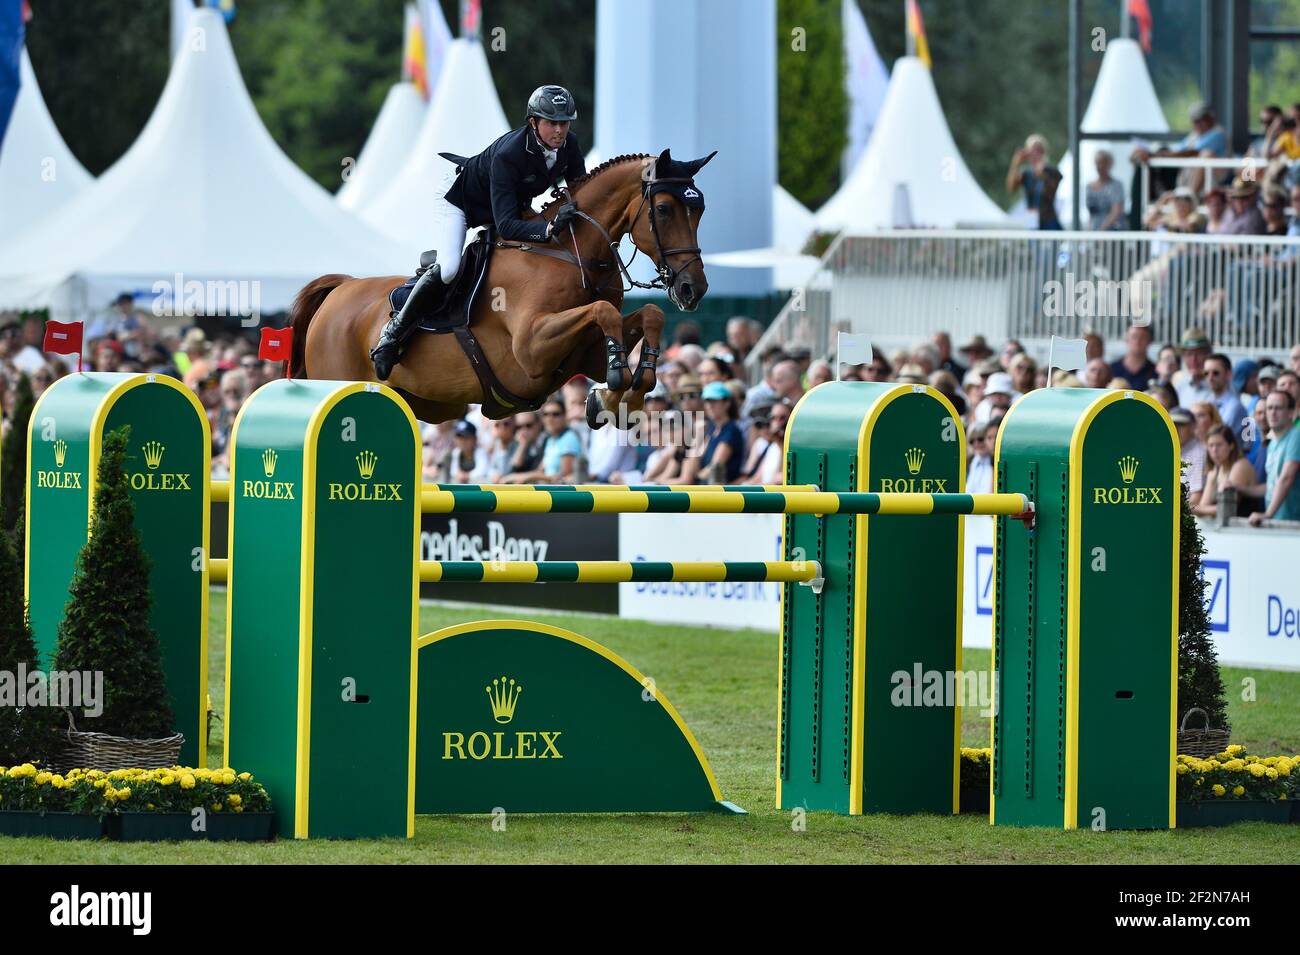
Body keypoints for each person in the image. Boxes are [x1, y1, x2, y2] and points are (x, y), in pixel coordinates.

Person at [370, 85, 587, 380]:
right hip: (460, 201)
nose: (560, 131)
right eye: (552, 123)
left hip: (506, 205)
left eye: (564, 123)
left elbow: (578, 191)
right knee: (449, 269)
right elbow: (508, 226)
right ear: (533, 122)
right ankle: (392, 334)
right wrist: (548, 227)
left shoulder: (569, 145)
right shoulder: (510, 154)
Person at [1247, 390, 1300, 524]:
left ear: (1291, 412)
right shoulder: (1272, 442)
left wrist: (1268, 514)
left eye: (1278, 408)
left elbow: (1286, 478)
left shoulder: (1296, 436)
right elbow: (1271, 486)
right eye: (1269, 408)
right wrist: (1237, 487)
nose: (1272, 412)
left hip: (1293, 524)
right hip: (1277, 522)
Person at [1193, 425, 1260, 518]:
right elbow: (1203, 506)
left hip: (1245, 528)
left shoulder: (1240, 466)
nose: (1214, 450)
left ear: (1231, 446)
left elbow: (1226, 509)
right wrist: (1196, 508)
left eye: (1219, 445)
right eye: (1211, 445)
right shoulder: (1214, 471)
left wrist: (1192, 508)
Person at [1085, 150, 1126, 231]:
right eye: (1098, 163)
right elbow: (1091, 213)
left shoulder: (1116, 185)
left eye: (1103, 163)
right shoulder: (1089, 186)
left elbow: (1116, 211)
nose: (1100, 166)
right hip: (1095, 230)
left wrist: (1102, 230)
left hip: (1112, 231)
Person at [1108, 324, 1156, 389]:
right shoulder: (1111, 369)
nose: (1138, 341)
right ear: (1126, 339)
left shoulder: (1156, 372)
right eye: (1134, 336)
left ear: (1150, 341)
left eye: (1143, 337)